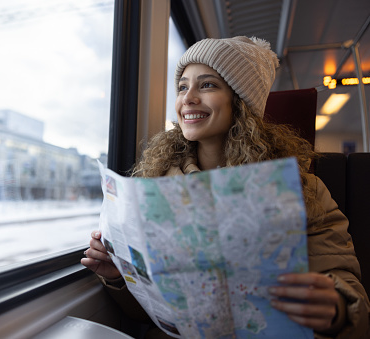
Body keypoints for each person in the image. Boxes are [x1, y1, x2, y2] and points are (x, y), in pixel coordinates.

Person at [81, 36, 370, 338]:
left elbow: (354, 301)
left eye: (207, 85)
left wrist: (336, 309)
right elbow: (152, 313)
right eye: (182, 86)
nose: (188, 98)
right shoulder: (153, 187)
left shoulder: (300, 188)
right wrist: (118, 278)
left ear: (240, 102)